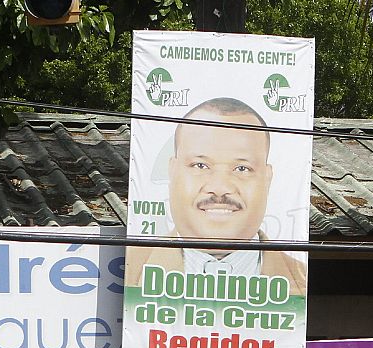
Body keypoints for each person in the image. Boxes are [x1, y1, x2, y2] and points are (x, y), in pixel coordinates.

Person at [124, 97, 307, 293]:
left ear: (267, 178)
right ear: (172, 170)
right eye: (200, 165)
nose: (219, 188)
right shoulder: (130, 270)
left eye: (242, 168)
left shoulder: (301, 280)